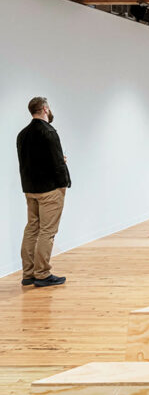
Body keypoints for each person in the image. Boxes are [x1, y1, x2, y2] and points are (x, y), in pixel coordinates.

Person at [16, 97, 70, 288]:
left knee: (32, 229)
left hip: (30, 190)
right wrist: (64, 184)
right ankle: (42, 274)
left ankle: (28, 273)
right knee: (47, 232)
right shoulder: (49, 132)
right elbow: (56, 164)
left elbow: (27, 163)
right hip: (50, 190)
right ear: (45, 109)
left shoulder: (22, 134)